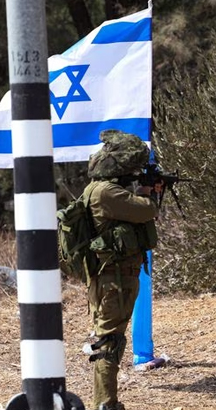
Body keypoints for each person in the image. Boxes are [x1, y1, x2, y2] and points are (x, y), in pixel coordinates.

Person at [83, 129, 162, 410]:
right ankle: (105, 403)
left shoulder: (101, 189)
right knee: (110, 341)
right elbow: (146, 210)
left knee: (110, 339)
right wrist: (147, 193)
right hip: (113, 281)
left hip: (112, 278)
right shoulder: (106, 192)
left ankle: (106, 401)